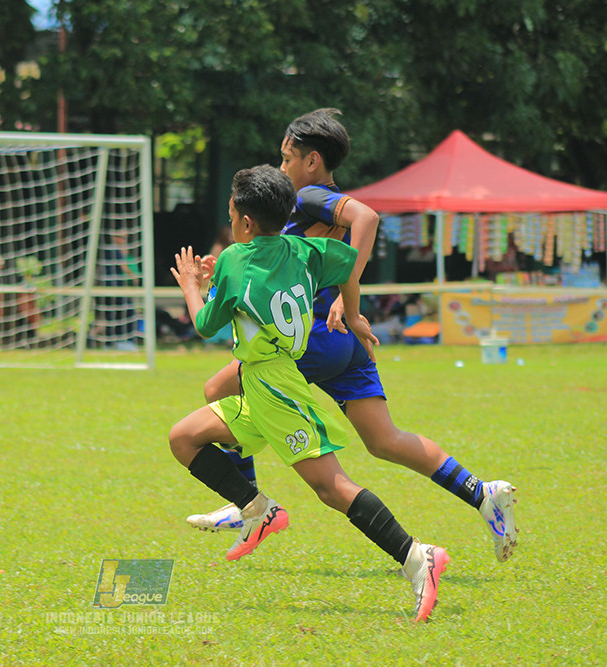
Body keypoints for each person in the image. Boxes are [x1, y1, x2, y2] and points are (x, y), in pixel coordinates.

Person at [188, 109, 519, 563]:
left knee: (217, 389)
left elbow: (367, 216)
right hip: (345, 339)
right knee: (385, 440)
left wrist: (347, 296)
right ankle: (481, 492)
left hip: (315, 336)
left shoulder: (307, 198)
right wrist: (354, 305)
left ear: (311, 161)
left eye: (287, 159)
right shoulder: (312, 201)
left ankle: (248, 505)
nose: (281, 168)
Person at [169, 165, 448, 622]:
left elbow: (204, 325)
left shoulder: (238, 260)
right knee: (184, 437)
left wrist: (192, 287)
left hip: (275, 388)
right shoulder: (305, 249)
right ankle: (258, 509)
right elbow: (348, 267)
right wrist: (353, 313)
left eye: (231, 212)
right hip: (265, 382)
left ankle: (418, 557)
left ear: (244, 221)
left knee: (332, 487)